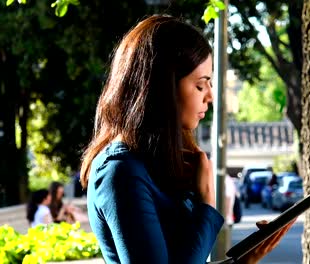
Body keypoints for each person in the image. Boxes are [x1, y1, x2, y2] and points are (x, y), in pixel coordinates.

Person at [79, 15, 294, 264]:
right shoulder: (120, 171)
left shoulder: (157, 161)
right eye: (200, 85)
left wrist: (242, 260)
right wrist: (206, 205)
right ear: (162, 87)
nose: (210, 96)